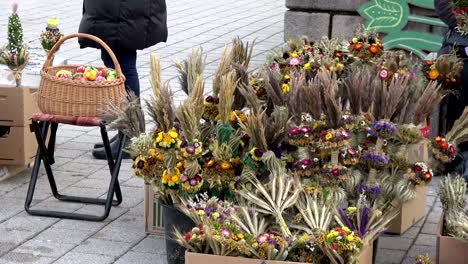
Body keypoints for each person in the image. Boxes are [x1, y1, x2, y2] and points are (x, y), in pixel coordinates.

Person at [78, 0, 168, 159]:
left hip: (123, 12)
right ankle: (126, 131)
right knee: (114, 62)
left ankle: (130, 135)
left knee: (123, 64)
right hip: (117, 12)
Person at [435, 0, 468, 179]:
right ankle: (459, 156)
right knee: (461, 78)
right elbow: (444, 6)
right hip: (460, 45)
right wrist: (464, 20)